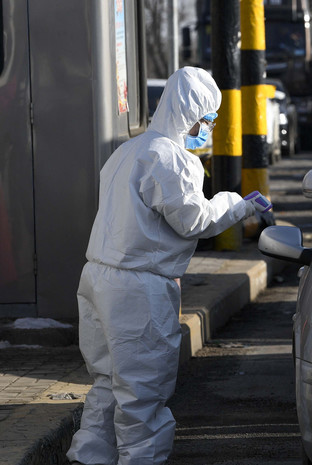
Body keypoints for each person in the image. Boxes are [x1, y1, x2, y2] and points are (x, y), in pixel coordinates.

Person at [66, 66, 271, 465]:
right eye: (208, 119)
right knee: (143, 390)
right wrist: (240, 204)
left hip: (97, 277)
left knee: (108, 381)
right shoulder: (170, 158)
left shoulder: (127, 151)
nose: (209, 128)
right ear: (190, 114)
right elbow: (194, 219)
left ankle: (90, 456)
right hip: (138, 287)